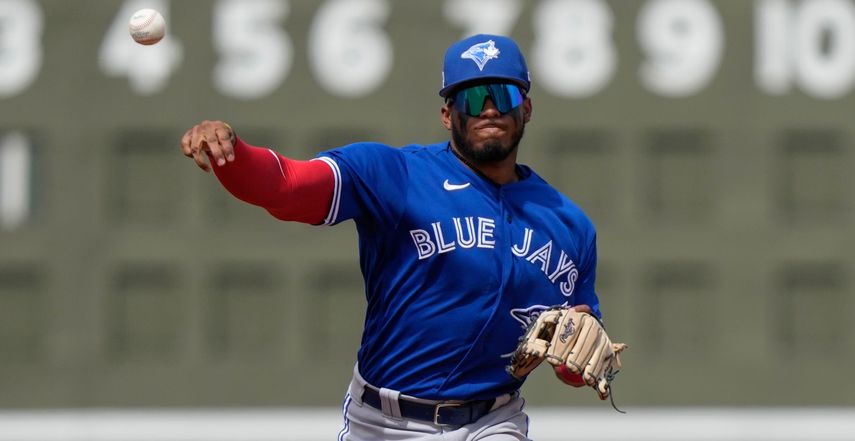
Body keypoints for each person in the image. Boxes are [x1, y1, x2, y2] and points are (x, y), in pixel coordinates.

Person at [181, 34, 602, 440]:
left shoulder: (570, 225)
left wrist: (573, 362)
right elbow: (288, 187)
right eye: (473, 98)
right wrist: (232, 155)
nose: (488, 109)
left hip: (493, 421)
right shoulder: (393, 174)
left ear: (526, 108)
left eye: (504, 96)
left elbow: (577, 360)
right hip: (385, 424)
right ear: (447, 114)